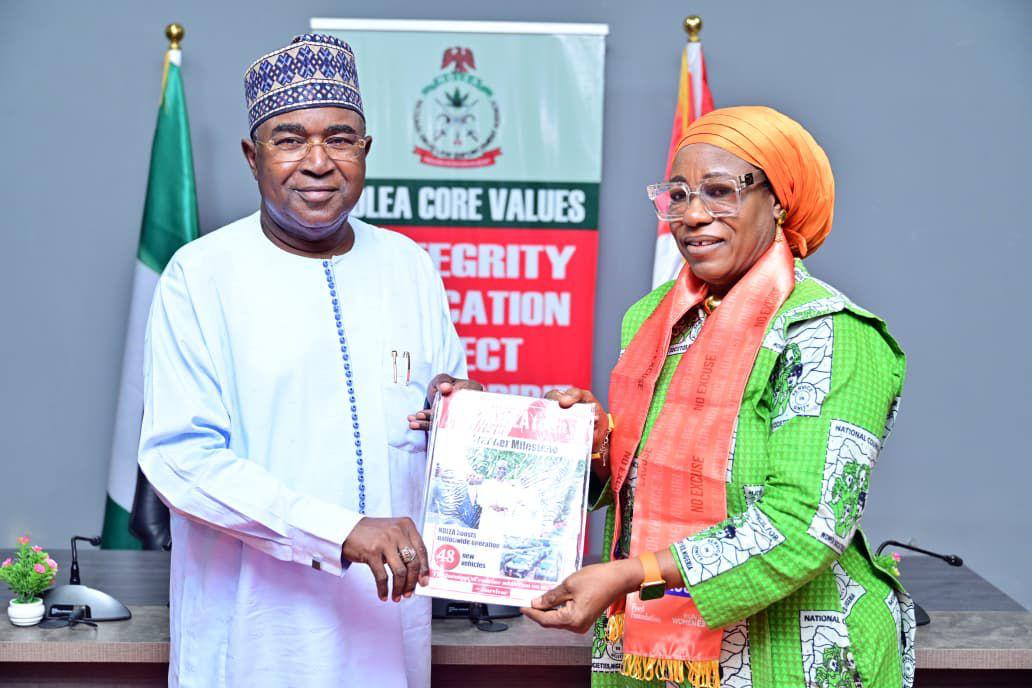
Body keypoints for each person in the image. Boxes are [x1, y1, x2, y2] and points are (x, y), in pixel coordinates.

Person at [523, 107, 913, 688]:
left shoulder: (828, 334)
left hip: (788, 655)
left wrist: (630, 575)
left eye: (720, 191)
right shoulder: (653, 321)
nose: (692, 215)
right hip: (655, 658)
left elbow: (804, 525)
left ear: (778, 202)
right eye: (678, 195)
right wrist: (595, 445)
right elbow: (644, 484)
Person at [138, 34, 476, 687]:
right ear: (253, 157)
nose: (318, 162)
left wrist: (466, 424)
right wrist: (340, 530)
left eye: (340, 139)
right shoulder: (201, 276)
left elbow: (436, 435)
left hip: (386, 637)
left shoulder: (409, 266)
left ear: (366, 151)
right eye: (290, 140)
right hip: (257, 640)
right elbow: (182, 460)